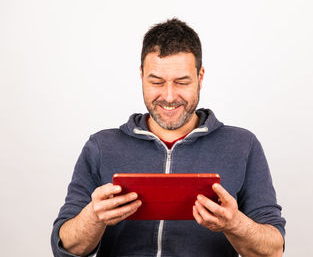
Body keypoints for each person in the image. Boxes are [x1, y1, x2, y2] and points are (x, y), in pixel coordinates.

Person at [51, 18, 286, 257]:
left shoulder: (242, 146)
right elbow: (64, 247)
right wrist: (93, 217)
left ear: (200, 77)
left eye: (182, 82)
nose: (169, 96)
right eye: (157, 82)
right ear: (141, 76)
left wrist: (235, 223)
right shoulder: (101, 146)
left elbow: (273, 249)